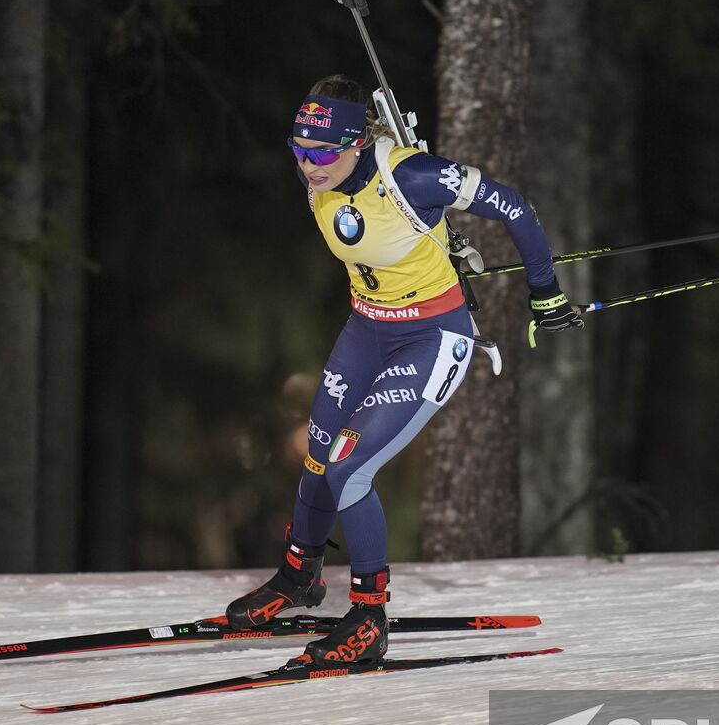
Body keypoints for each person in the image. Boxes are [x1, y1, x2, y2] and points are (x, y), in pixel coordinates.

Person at [224, 75, 582, 668]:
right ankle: (298, 580)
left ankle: (369, 618)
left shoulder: (410, 175)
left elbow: (514, 207)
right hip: (367, 329)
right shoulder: (324, 171)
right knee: (317, 458)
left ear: (357, 145)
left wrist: (544, 294)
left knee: (348, 467)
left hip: (431, 338)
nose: (308, 167)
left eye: (322, 154)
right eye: (298, 150)